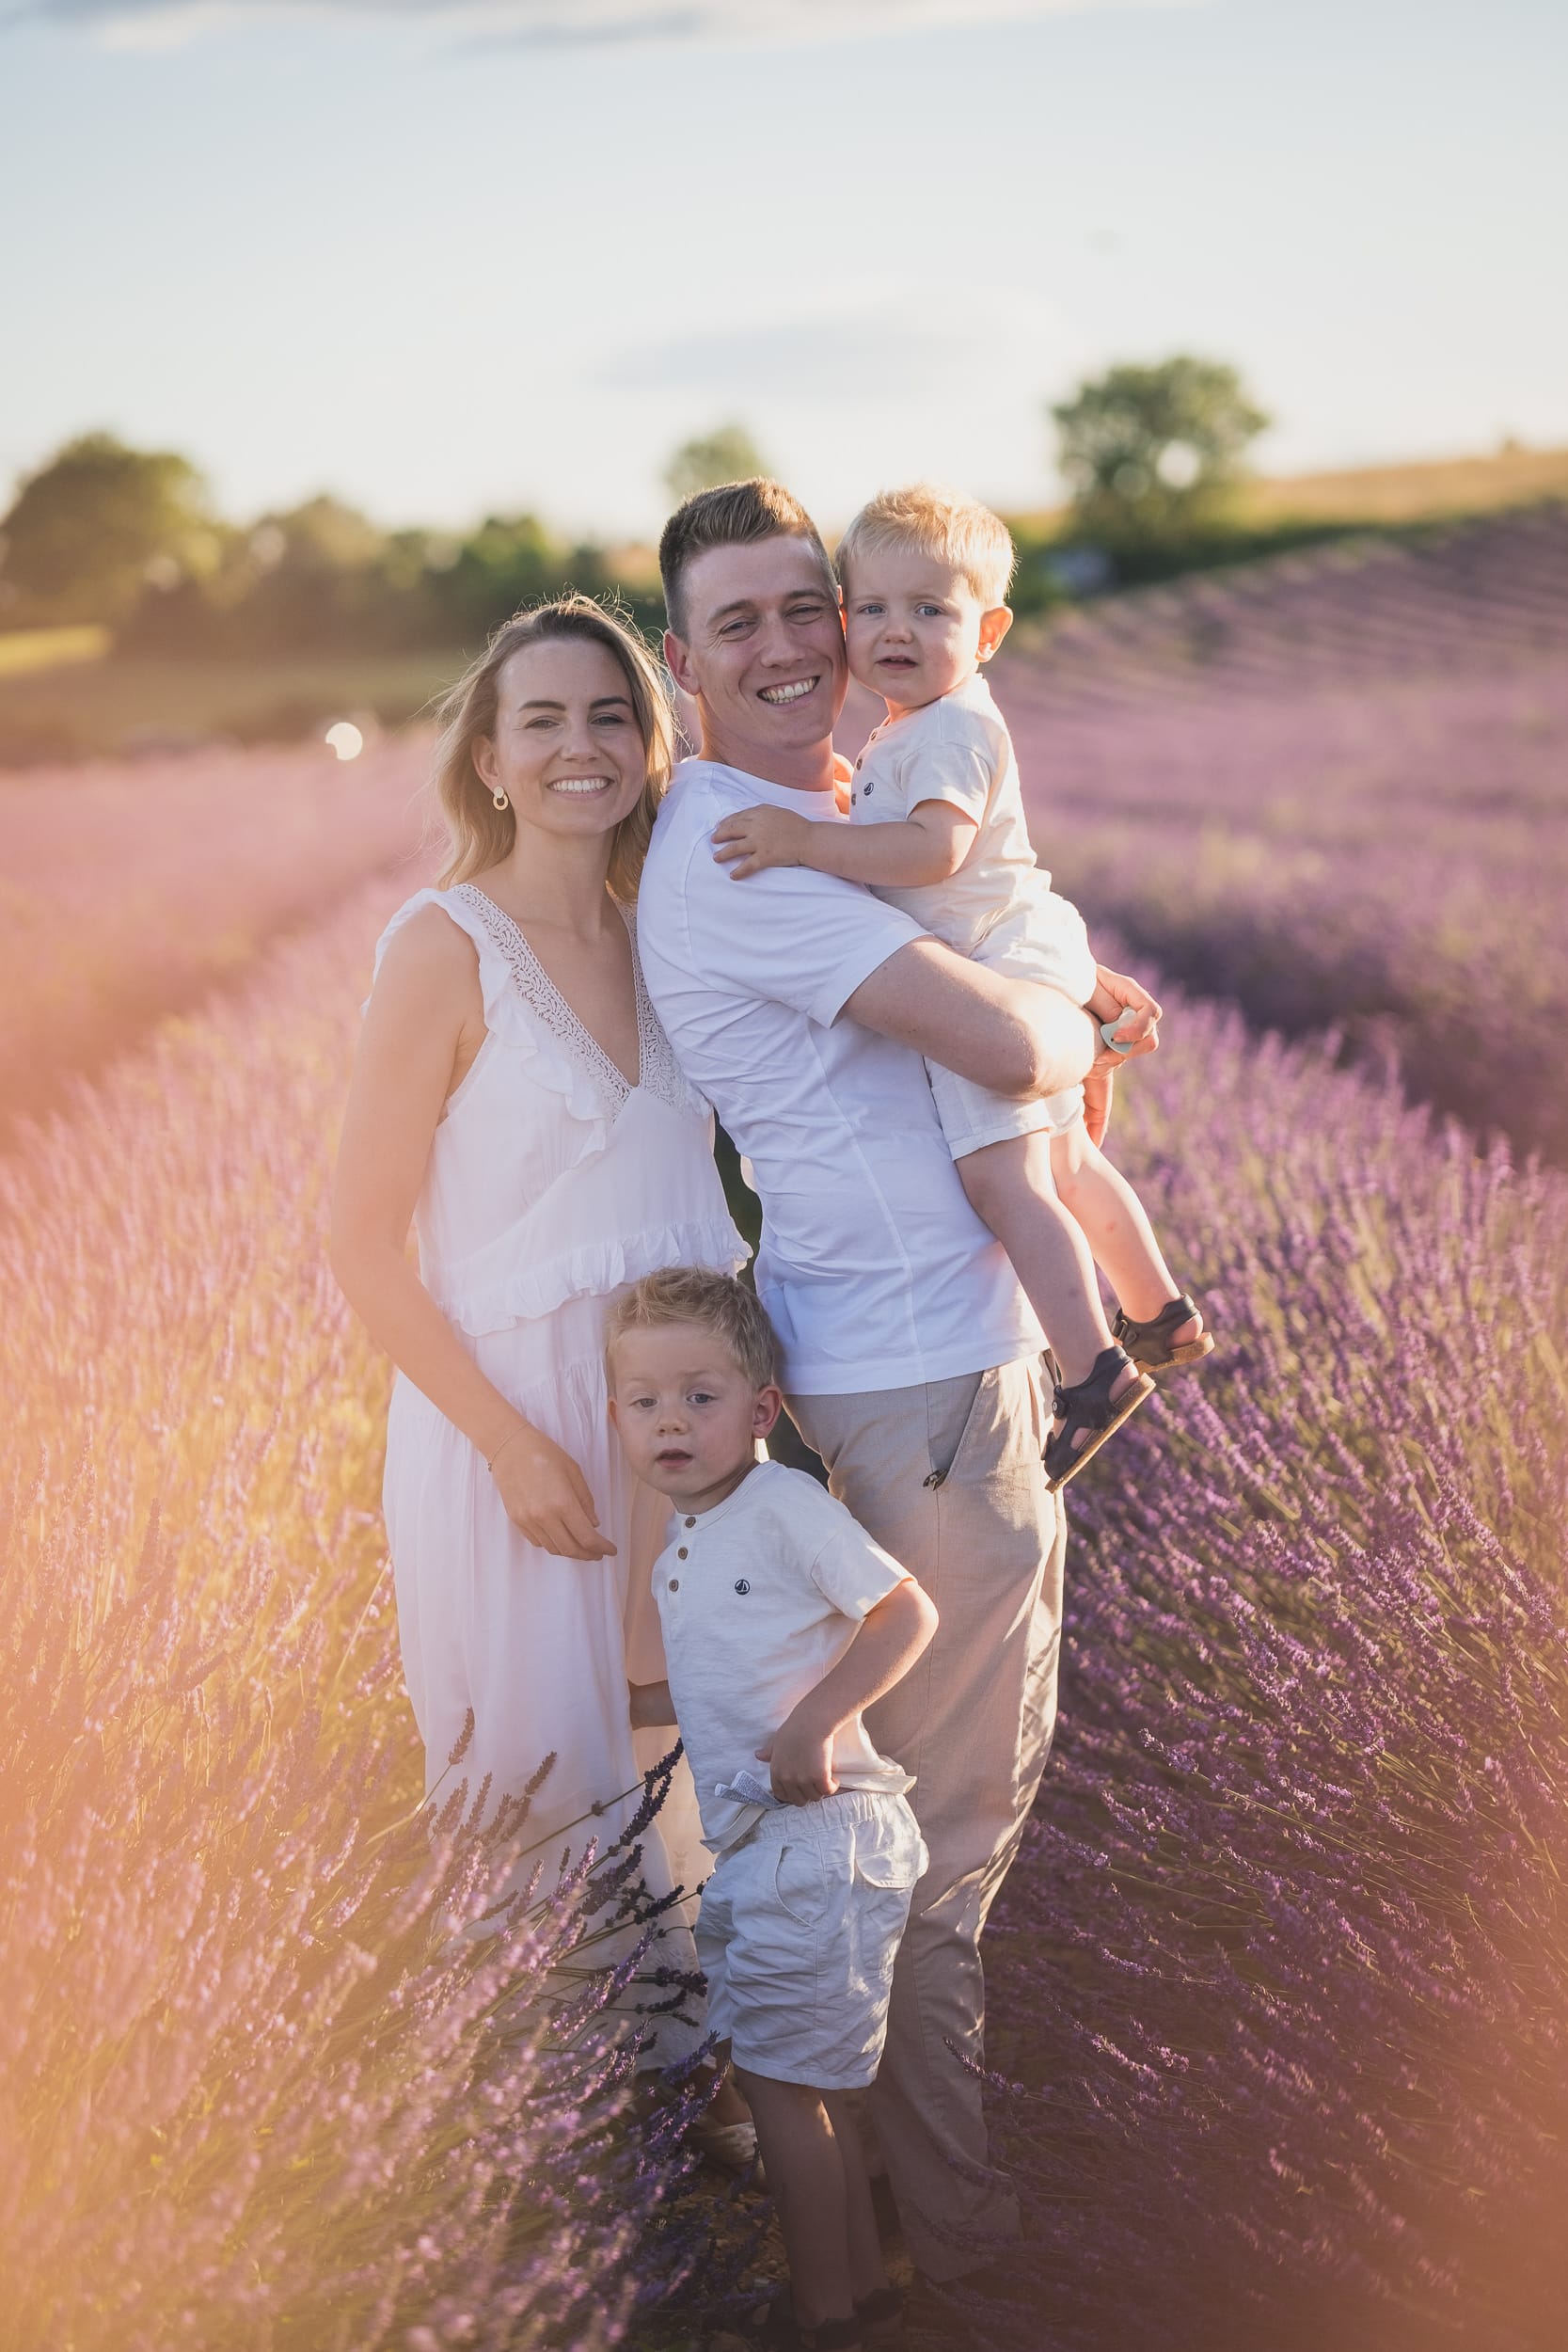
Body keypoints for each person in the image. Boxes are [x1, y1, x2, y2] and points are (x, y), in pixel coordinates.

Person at [634, 479, 1163, 2299]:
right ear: (685, 658)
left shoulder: (812, 814)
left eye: (812, 609)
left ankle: (888, 2210)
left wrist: (1057, 987)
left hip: (902, 1366)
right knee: (938, 1839)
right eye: (745, 622)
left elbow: (999, 988)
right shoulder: (738, 848)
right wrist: (1061, 1009)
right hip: (922, 1384)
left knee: (908, 1817)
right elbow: (1006, 1037)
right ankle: (957, 2235)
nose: (793, 647)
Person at [328, 596, 750, 2100]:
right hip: (515, 1435)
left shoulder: (671, 939)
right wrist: (512, 1445)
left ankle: (685, 2129)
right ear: (491, 760)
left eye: (611, 716)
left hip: (683, 1438)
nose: (582, 746)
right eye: (544, 721)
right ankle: (539, 2155)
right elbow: (359, 1248)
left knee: (678, 1775)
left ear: (653, 745)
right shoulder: (443, 945)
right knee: (537, 1805)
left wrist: (1072, 1014)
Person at [712, 485, 1212, 1489]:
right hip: (1018, 950)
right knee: (1065, 1158)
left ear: (986, 631)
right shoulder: (918, 728)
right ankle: (1156, 1310)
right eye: (875, 610)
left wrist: (809, 838)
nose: (898, 631)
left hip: (994, 968)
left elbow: (935, 850)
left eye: (931, 611)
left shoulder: (942, 731)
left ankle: (1091, 1372)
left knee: (1003, 1181)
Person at [607, 1267, 938, 2352]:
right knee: (795, 2085)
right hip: (760, 1848)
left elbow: (903, 1613)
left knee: (783, 2092)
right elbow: (705, 1693)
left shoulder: (780, 1505)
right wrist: (604, 1707)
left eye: (699, 1396)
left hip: (820, 1833)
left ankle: (820, 2312)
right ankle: (854, 2302)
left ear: (759, 1411)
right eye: (643, 1400)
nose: (670, 1420)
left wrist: (812, 1725)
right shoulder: (681, 1545)